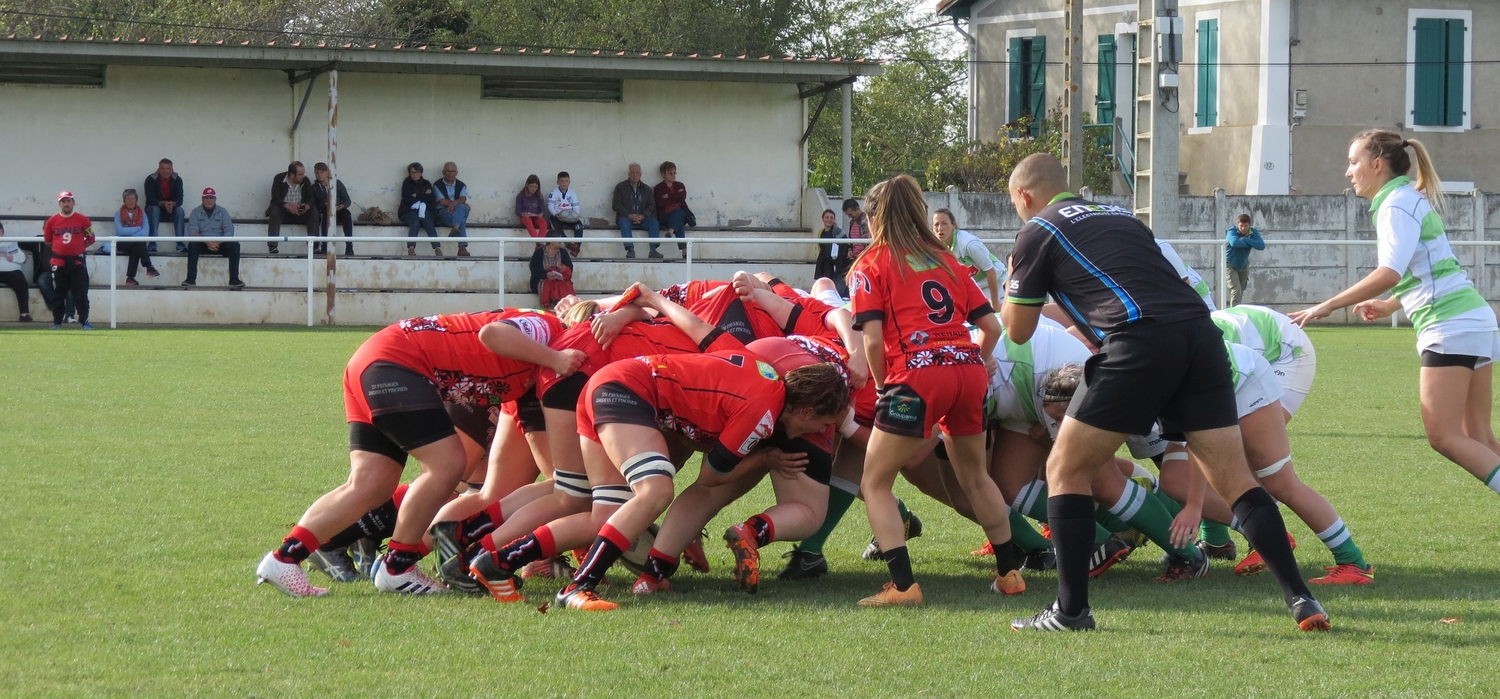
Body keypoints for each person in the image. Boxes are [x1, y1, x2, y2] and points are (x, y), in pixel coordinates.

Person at [1001, 153, 1325, 632]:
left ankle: (1070, 612)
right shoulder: (1122, 216)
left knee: (1066, 468)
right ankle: (1301, 598)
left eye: (1015, 204)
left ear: (1024, 196)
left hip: (1139, 341)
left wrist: (1013, 279)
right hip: (1201, 337)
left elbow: (1019, 329)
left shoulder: (1038, 230)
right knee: (1236, 480)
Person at [254, 309, 584, 598]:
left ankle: (285, 559)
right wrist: (556, 357)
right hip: (398, 364)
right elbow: (491, 333)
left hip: (378, 362)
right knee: (448, 465)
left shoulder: (540, 364)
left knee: (370, 484)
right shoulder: (549, 328)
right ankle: (398, 566)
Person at [1291, 130, 1500, 512]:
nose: (1347, 172)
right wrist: (1390, 305)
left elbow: (1389, 271)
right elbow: (1429, 265)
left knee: (1445, 436)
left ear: (1377, 165)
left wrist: (1328, 304)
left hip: (1451, 326)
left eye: (1354, 162)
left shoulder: (1395, 205)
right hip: (1474, 321)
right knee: (1479, 437)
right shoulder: (1406, 199)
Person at [548, 348, 849, 611]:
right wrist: (763, 458)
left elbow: (708, 339)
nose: (819, 431)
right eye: (823, 424)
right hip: (626, 391)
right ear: (807, 411)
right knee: (652, 493)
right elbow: (709, 478)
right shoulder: (762, 411)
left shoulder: (764, 375)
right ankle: (575, 583)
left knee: (593, 499)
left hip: (618, 385)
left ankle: (648, 576)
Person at [847, 174, 1020, 608]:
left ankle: (903, 587)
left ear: (875, 218)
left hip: (917, 376)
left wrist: (887, 387)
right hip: (967, 372)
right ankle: (1009, 573)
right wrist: (976, 360)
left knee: (875, 482)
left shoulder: (871, 265)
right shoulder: (946, 260)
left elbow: (871, 340)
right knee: (977, 478)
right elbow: (992, 326)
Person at [932, 207, 1003, 308]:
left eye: (944, 223)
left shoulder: (968, 243)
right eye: (936, 224)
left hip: (999, 284)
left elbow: (990, 270)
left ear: (953, 225)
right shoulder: (939, 248)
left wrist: (995, 303)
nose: (940, 228)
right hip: (980, 289)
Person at [43, 191, 94, 330]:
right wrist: (61, 250)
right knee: (58, 294)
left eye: (69, 201)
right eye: (63, 201)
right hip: (58, 263)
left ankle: (84, 322)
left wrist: (77, 249)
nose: (66, 204)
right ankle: (57, 322)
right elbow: (48, 241)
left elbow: (91, 238)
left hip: (77, 262)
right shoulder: (51, 221)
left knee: (81, 294)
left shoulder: (83, 220)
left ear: (73, 202)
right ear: (60, 203)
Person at [182, 188, 244, 290]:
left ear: (215, 199)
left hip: (220, 244)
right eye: (206, 198)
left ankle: (234, 280)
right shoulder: (195, 212)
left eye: (211, 198)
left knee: (235, 245)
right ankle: (190, 279)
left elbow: (229, 230)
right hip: (202, 244)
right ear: (202, 199)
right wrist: (208, 242)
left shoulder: (222, 211)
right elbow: (192, 231)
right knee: (192, 244)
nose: (209, 200)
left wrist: (218, 242)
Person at [266, 161, 319, 255]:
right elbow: (275, 198)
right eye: (300, 174)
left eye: (303, 173)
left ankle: (314, 246)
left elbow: (311, 198)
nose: (303, 176)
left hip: (300, 213)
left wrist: (306, 206)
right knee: (274, 210)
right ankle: (272, 246)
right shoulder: (279, 178)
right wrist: (288, 206)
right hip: (284, 212)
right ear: (291, 174)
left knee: (314, 211)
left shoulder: (305, 180)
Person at [612, 163, 660, 259]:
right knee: (624, 222)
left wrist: (642, 216)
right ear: (629, 174)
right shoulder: (620, 187)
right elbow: (616, 205)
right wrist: (629, 215)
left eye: (637, 172)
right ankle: (630, 250)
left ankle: (653, 250)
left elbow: (651, 206)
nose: (635, 175)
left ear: (640, 174)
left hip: (643, 218)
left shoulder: (647, 189)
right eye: (632, 173)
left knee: (654, 223)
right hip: (626, 217)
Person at [113, 189, 157, 286]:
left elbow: (145, 232)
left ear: (136, 200)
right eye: (128, 199)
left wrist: (130, 235)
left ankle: (130, 278)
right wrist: (137, 228)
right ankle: (149, 266)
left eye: (132, 198)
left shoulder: (142, 214)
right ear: (124, 201)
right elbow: (120, 231)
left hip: (135, 243)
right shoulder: (118, 214)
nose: (130, 201)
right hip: (122, 242)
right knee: (139, 243)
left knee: (137, 247)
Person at [399, 162, 441, 257]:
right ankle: (411, 247)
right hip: (407, 210)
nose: (415, 175)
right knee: (415, 222)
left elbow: (431, 198)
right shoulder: (406, 183)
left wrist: (417, 195)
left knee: (427, 221)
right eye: (412, 172)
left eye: (417, 172)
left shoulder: (426, 183)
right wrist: (424, 195)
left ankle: (437, 248)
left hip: (426, 210)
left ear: (421, 173)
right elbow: (407, 198)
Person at [144, 158, 185, 252]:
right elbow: (150, 199)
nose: (165, 171)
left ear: (172, 170)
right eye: (163, 168)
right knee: (154, 209)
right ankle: (152, 243)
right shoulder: (150, 179)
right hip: (154, 209)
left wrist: (172, 204)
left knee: (180, 211)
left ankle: (180, 244)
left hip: (171, 209)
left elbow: (180, 199)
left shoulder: (178, 179)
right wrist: (164, 203)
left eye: (168, 168)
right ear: (158, 169)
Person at [313, 162, 354, 256]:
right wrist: (325, 204)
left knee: (347, 214)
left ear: (327, 172)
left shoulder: (337, 183)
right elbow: (314, 205)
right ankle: (324, 246)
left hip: (338, 210)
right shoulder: (314, 187)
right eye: (317, 172)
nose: (319, 175)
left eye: (321, 172)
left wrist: (342, 206)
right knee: (325, 217)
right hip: (324, 211)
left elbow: (347, 200)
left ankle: (349, 245)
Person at [1225, 214, 1265, 307]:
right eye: (1241, 226)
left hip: (1243, 265)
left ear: (1249, 225)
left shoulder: (1253, 231)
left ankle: (1237, 311)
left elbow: (1261, 245)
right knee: (1236, 290)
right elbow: (1235, 243)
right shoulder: (1232, 230)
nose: (1243, 228)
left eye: (1245, 226)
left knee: (1241, 290)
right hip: (1230, 265)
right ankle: (1234, 315)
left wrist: (1246, 239)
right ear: (1237, 225)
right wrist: (1251, 243)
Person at [434, 161, 471, 257]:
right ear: (443, 172)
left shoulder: (461, 185)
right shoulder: (437, 185)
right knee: (462, 212)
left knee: (461, 209)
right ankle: (462, 248)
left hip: (455, 212)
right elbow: (442, 201)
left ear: (456, 173)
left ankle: (455, 228)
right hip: (444, 212)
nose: (450, 173)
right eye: (447, 171)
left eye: (452, 171)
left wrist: (455, 203)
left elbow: (463, 198)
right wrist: (457, 203)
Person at [653, 161, 689, 259]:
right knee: (679, 214)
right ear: (663, 174)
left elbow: (682, 196)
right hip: (665, 216)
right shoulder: (658, 188)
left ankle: (671, 231)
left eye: (674, 173)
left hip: (678, 215)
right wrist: (675, 199)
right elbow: (660, 203)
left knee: (679, 214)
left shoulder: (679, 185)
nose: (673, 176)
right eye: (670, 173)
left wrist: (668, 196)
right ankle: (684, 251)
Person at [529, 231, 574, 308]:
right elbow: (534, 268)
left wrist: (560, 271)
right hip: (542, 279)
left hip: (559, 279)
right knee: (548, 284)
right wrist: (546, 274)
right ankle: (551, 306)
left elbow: (569, 267)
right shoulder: (539, 252)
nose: (561, 241)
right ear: (552, 241)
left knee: (562, 285)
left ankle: (562, 306)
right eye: (559, 239)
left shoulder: (563, 252)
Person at [0, 222, 33, 321]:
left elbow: (22, 258)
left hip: (12, 271)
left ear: (3, 232)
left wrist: (13, 257)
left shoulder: (10, 242)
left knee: (21, 282)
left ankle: (24, 313)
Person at [812, 209, 850, 295]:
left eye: (831, 218)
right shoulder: (821, 232)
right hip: (825, 262)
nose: (829, 220)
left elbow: (845, 244)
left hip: (837, 262)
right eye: (827, 217)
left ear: (834, 219)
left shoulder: (837, 231)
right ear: (822, 218)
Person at [548, 171, 584, 256]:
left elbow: (576, 206)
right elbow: (550, 205)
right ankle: (568, 244)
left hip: (570, 217)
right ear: (558, 182)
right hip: (558, 217)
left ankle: (576, 247)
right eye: (562, 181)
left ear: (569, 182)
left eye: (566, 181)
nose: (564, 183)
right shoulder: (554, 193)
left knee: (579, 225)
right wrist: (555, 214)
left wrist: (574, 217)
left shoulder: (572, 193)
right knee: (555, 225)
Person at [516, 174, 548, 240]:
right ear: (527, 185)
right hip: (525, 217)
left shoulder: (539, 196)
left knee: (544, 224)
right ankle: (538, 241)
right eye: (531, 186)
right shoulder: (520, 196)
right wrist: (523, 214)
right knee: (528, 222)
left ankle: (540, 242)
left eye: (535, 187)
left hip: (536, 216)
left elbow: (543, 209)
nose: (533, 189)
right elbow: (517, 211)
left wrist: (541, 214)